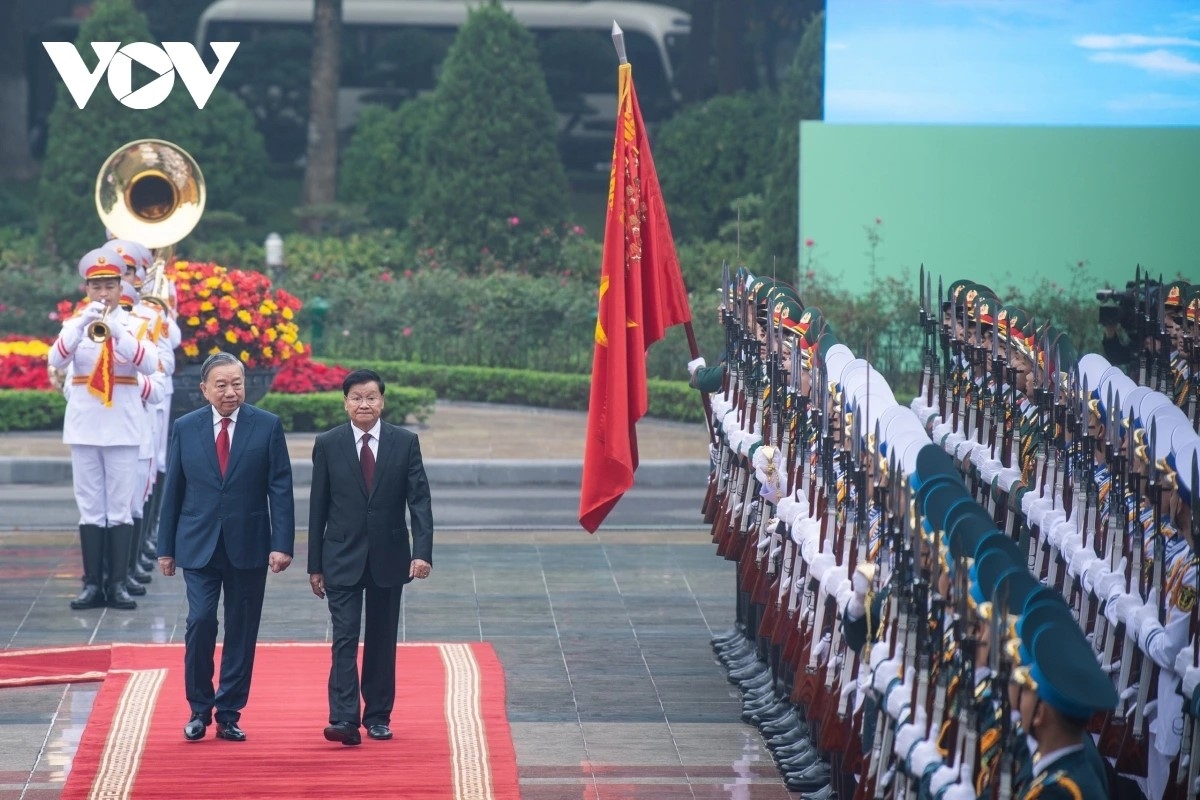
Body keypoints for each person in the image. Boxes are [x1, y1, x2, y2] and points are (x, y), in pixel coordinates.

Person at [156, 351, 295, 743]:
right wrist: (166, 548)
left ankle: (229, 713)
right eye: (221, 385)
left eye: (237, 383)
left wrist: (282, 544)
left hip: (249, 543)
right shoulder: (186, 427)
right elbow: (174, 489)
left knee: (241, 629)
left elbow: (280, 488)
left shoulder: (267, 426)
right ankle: (199, 709)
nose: (231, 391)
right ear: (204, 389)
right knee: (200, 621)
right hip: (198, 544)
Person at [307, 368, 434, 746]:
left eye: (371, 397)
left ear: (382, 401)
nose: (364, 404)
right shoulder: (328, 443)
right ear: (345, 403)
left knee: (382, 639)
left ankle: (378, 716)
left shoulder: (404, 442)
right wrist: (315, 565)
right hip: (341, 556)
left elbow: (420, 501)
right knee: (344, 638)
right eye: (357, 398)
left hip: (389, 556)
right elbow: (317, 508)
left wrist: (422, 553)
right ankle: (344, 719)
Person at [49, 248, 159, 611]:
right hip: (84, 428)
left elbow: (150, 364)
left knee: (121, 507)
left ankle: (118, 583)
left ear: (120, 287)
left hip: (123, 428)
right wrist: (82, 325)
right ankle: (92, 584)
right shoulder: (75, 324)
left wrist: (118, 333)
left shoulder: (136, 324)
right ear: (87, 289)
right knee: (91, 508)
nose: (103, 293)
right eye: (96, 287)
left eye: (110, 286)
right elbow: (56, 359)